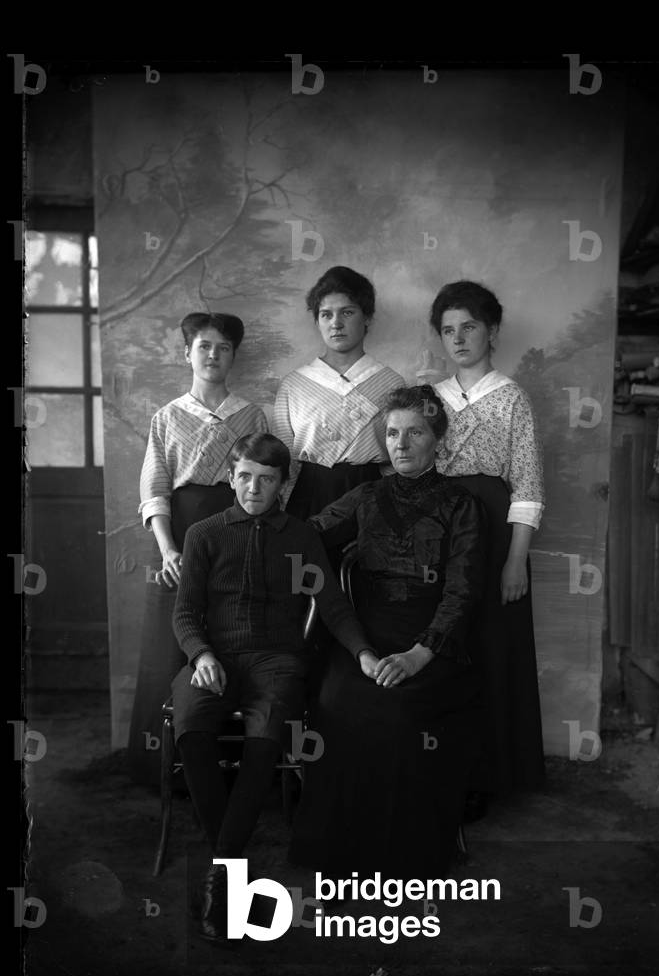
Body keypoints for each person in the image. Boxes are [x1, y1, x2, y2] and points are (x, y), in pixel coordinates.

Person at [171, 432, 376, 941]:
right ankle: (234, 869)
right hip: (213, 661)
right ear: (231, 477)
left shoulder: (300, 536)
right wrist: (201, 655)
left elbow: (331, 605)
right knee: (193, 732)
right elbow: (185, 613)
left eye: (266, 480)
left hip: (277, 663)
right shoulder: (204, 533)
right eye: (244, 477)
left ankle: (222, 876)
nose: (253, 489)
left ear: (283, 485)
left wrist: (364, 652)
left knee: (264, 743)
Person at [289, 385, 484, 881]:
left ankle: (403, 866)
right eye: (392, 432)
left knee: (398, 709)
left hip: (432, 639)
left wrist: (420, 655)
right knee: (335, 702)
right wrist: (238, 528)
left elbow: (461, 592)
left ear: (437, 438)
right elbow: (306, 533)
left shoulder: (461, 505)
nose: (400, 443)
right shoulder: (367, 495)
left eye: (414, 432)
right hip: (364, 636)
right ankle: (333, 864)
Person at [127, 312, 267, 786]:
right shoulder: (166, 417)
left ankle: (225, 762)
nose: (213, 355)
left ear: (233, 356)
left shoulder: (250, 415)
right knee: (174, 637)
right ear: (187, 352)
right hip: (180, 533)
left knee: (229, 629)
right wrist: (167, 550)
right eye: (204, 346)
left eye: (223, 348)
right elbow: (156, 488)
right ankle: (166, 767)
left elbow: (258, 486)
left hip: (232, 531)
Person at [430, 280, 545, 802]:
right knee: (442, 641)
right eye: (448, 330)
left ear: (492, 331)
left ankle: (495, 775)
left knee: (492, 647)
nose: (458, 339)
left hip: (497, 536)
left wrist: (515, 562)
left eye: (469, 327)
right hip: (439, 531)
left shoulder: (512, 397)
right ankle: (440, 768)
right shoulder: (430, 398)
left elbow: (527, 486)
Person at [272, 266, 405, 520]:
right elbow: (283, 459)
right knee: (308, 559)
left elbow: (399, 455)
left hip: (372, 495)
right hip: (309, 495)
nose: (336, 324)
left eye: (347, 312)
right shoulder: (294, 385)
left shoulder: (391, 382)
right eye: (326, 314)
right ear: (317, 320)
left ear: (366, 317)